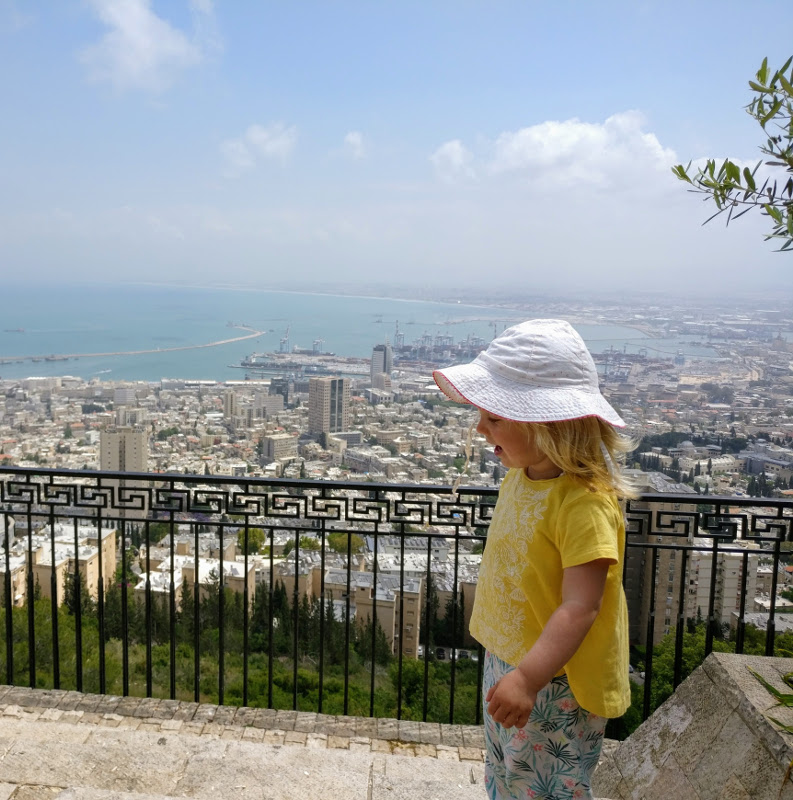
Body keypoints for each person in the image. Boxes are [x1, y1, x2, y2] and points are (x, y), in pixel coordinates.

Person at [433, 319, 635, 800]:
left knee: (544, 789)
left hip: (555, 681)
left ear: (545, 423)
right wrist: (513, 673)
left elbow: (581, 606)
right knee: (505, 775)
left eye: (494, 418)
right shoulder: (522, 476)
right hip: (509, 660)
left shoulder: (584, 502)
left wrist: (527, 678)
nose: (480, 428)